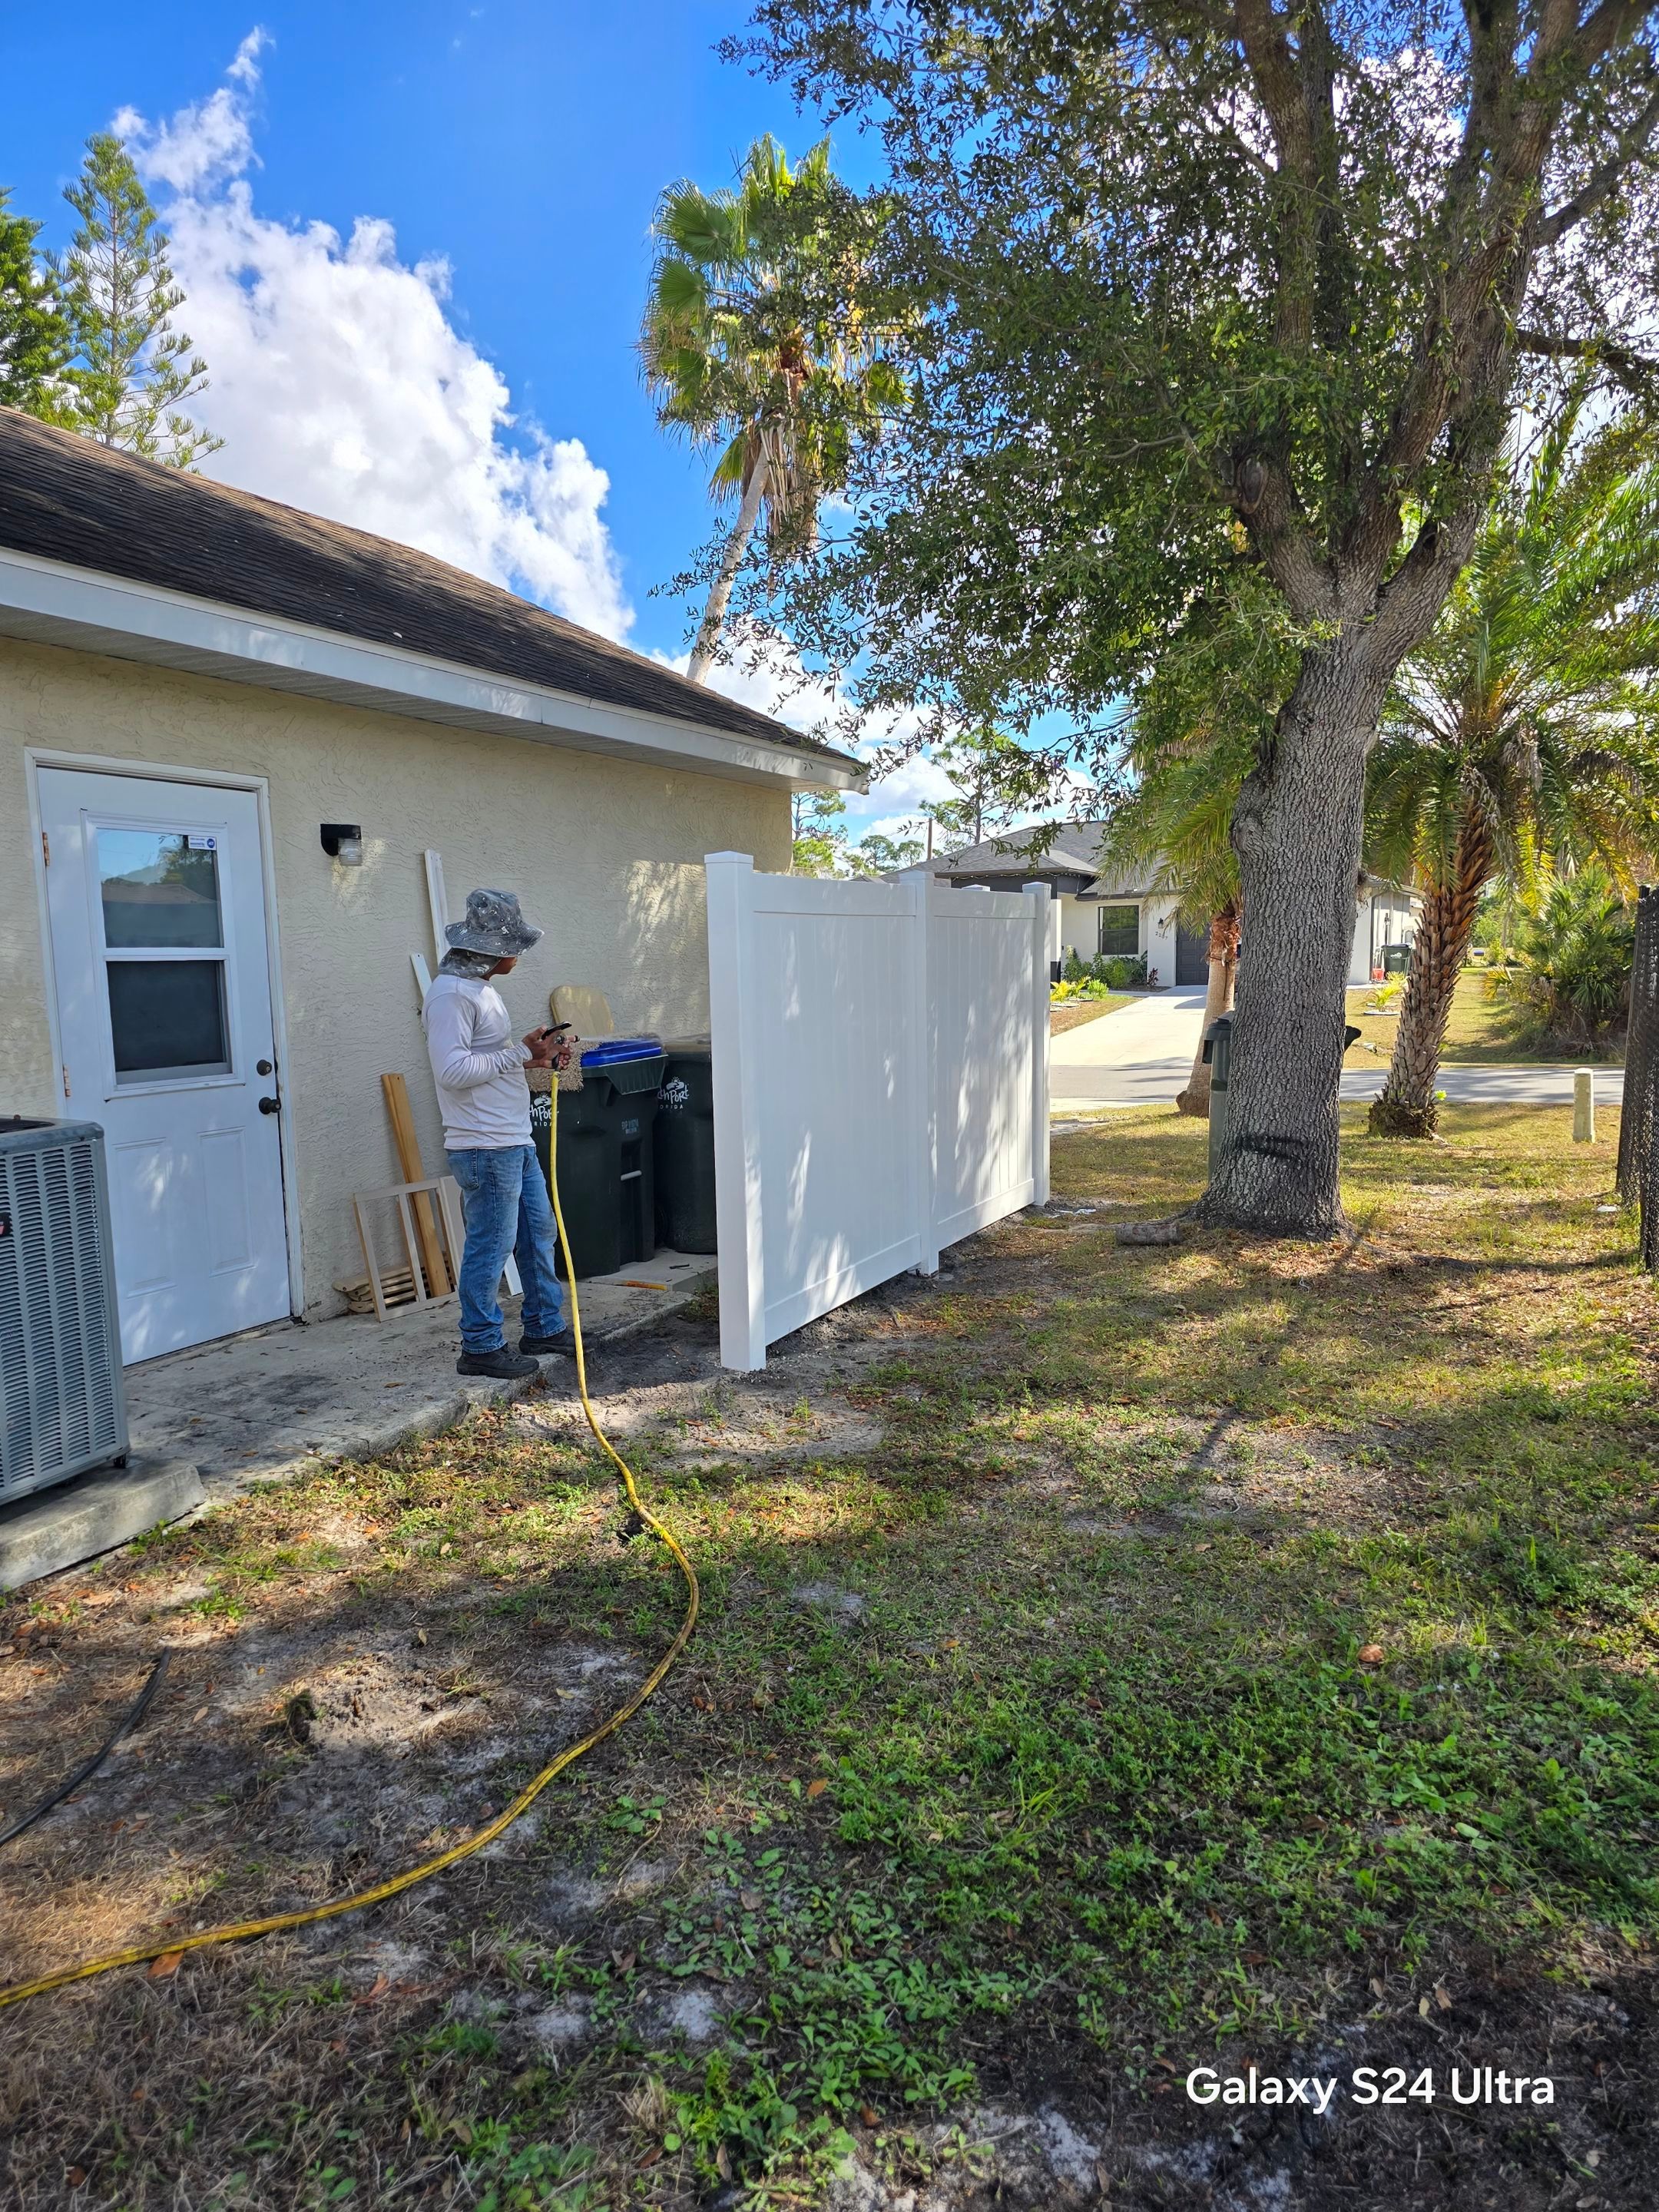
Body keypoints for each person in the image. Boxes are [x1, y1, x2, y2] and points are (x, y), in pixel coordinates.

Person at [422, 888, 575, 1379]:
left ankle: (544, 1326)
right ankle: (481, 1345)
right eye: (515, 946)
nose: (518, 955)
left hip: (513, 1136)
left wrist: (537, 1055)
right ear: (491, 948)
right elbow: (451, 1071)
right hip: (483, 1144)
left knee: (537, 1232)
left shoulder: (482, 989)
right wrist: (519, 1056)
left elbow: (486, 1062)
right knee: (492, 1244)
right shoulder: (450, 994)